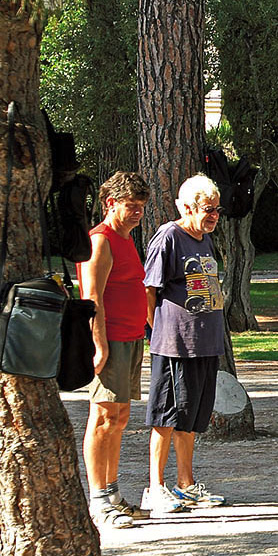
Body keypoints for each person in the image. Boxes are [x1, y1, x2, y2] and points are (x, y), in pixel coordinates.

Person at [141, 175, 229, 516]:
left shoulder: (204, 240)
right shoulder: (169, 236)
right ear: (188, 206)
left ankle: (186, 484)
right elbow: (149, 290)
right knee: (166, 415)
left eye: (217, 210)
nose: (214, 216)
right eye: (208, 209)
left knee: (191, 418)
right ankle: (155, 487)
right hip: (175, 344)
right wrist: (158, 332)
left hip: (204, 343)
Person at [78, 171, 152, 530]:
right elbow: (91, 297)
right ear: (110, 203)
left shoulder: (125, 239)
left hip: (131, 338)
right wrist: (99, 344)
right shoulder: (100, 240)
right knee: (103, 418)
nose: (137, 213)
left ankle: (113, 493)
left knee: (120, 418)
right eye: (131, 206)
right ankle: (97, 501)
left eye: (141, 206)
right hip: (111, 342)